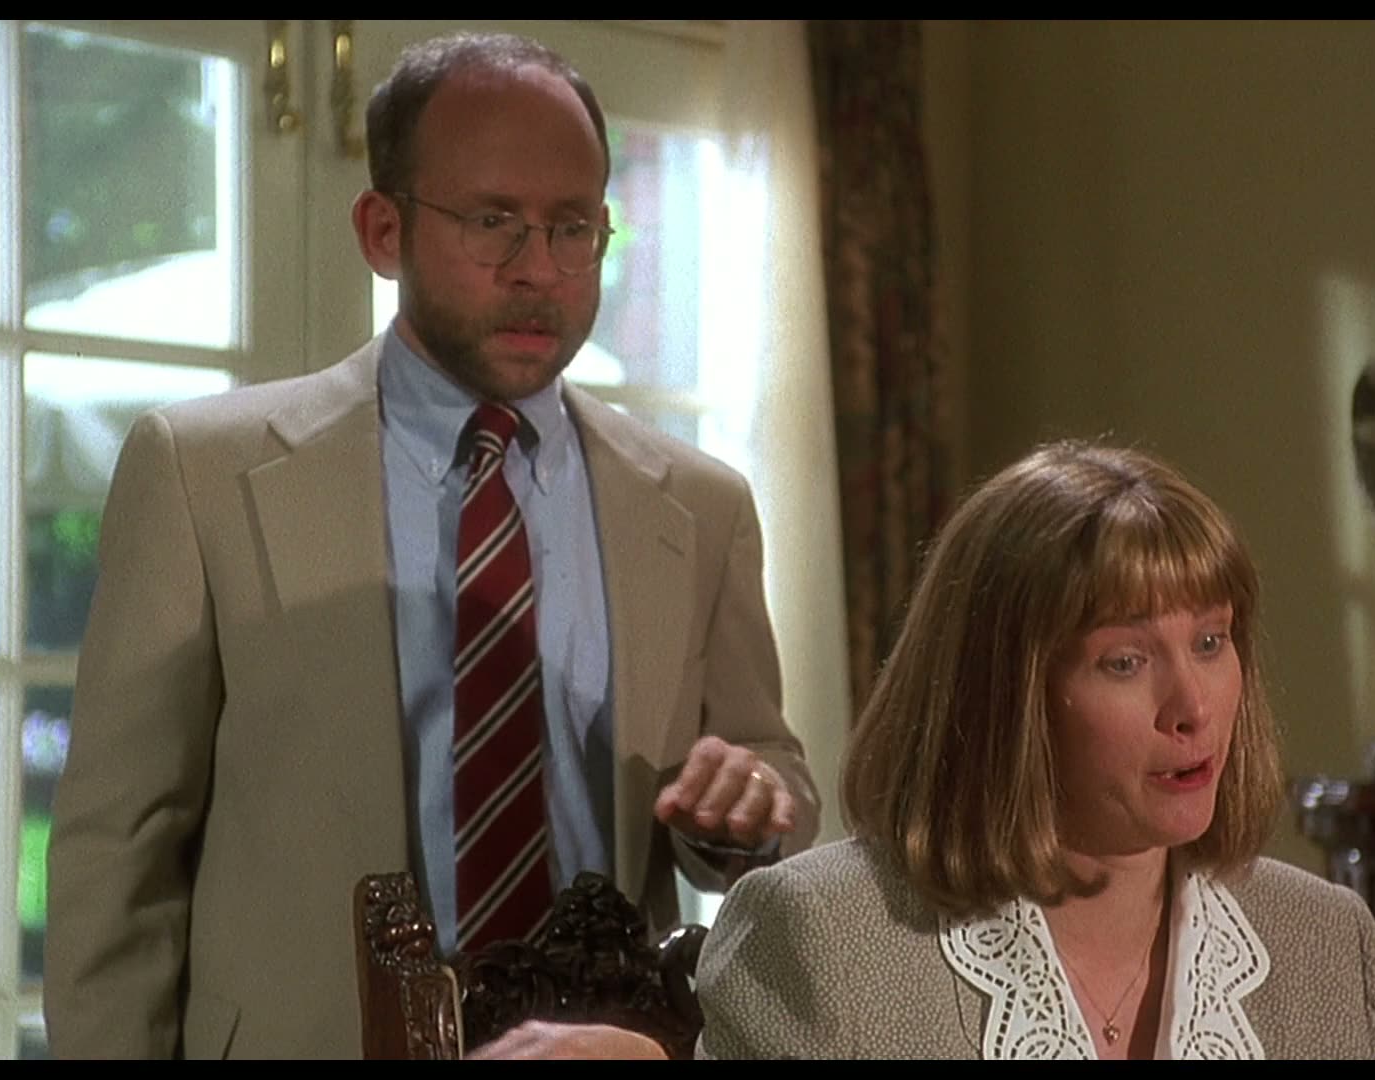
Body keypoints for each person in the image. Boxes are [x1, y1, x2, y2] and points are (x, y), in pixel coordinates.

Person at [43, 30, 819, 1060]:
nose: (538, 270)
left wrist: (753, 803)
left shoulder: (700, 506)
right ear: (382, 229)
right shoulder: (202, 476)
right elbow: (117, 856)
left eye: (573, 228)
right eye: (493, 223)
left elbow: (767, 772)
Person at [695, 440, 1375, 1060]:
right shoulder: (823, 938)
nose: (1194, 708)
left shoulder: (1327, 943)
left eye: (1210, 641)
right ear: (1005, 695)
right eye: (1125, 661)